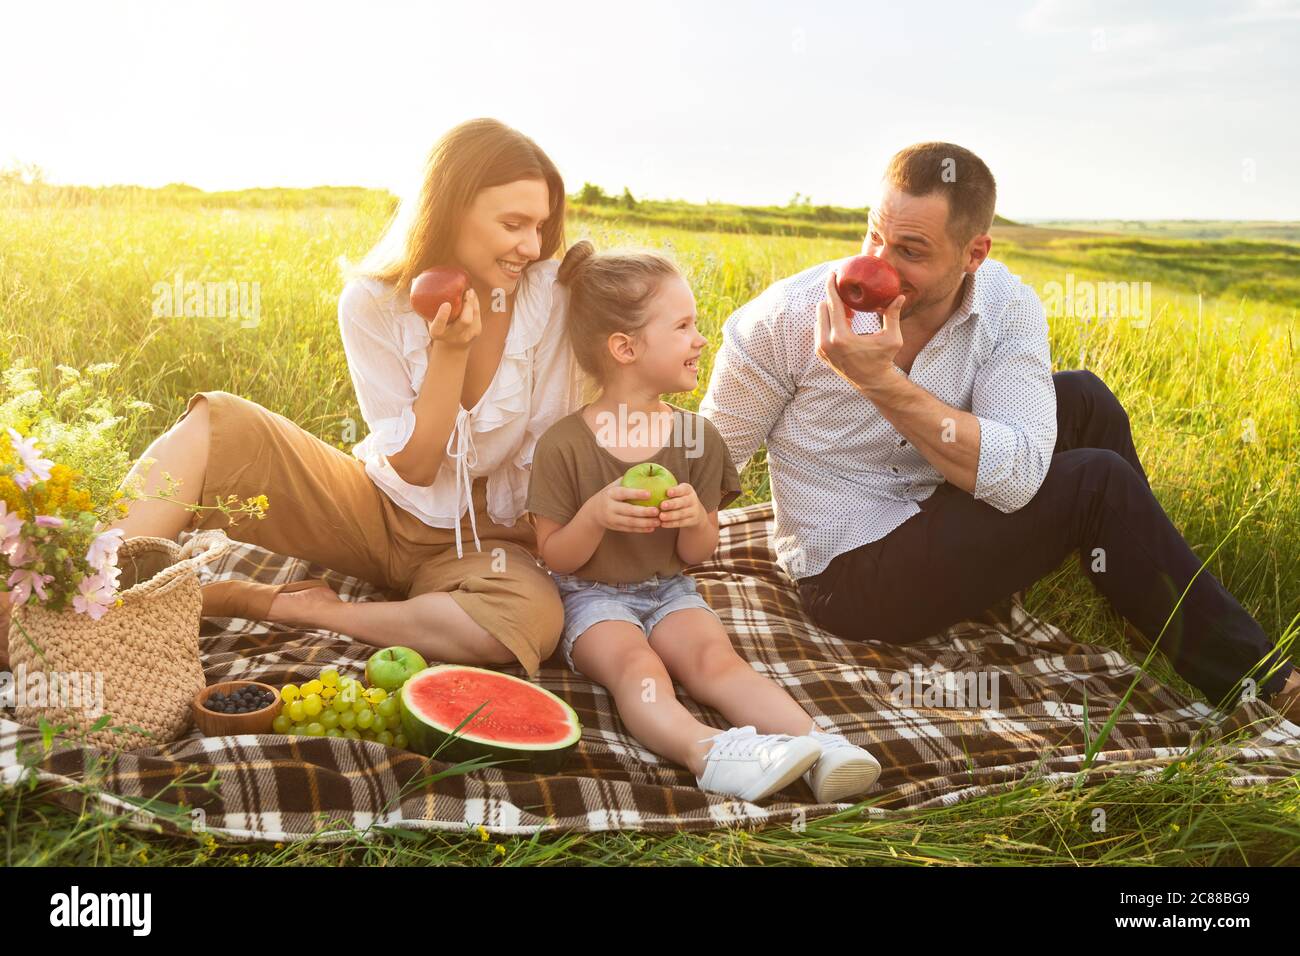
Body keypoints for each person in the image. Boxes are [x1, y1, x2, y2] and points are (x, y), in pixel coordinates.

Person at [700, 141, 1300, 719]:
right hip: (852, 573)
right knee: (1095, 484)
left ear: (973, 254)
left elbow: (1014, 477)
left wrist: (880, 382)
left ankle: (1141, 594)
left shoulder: (1006, 305)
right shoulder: (786, 319)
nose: (877, 265)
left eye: (911, 251)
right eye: (874, 235)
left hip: (940, 498)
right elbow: (709, 459)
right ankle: (1265, 687)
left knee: (1085, 400)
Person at [3, 118, 587, 677]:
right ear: (451, 208)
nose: (532, 246)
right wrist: (450, 355)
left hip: (489, 540)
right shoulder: (372, 302)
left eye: (541, 225)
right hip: (376, 514)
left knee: (525, 623)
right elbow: (414, 465)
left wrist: (610, 286)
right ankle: (72, 598)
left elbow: (628, 356)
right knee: (220, 424)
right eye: (513, 224)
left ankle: (286, 606)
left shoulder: (549, 298)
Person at [526, 240, 882, 802]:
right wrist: (595, 515)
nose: (700, 339)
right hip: (586, 597)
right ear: (624, 346)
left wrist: (694, 518)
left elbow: (698, 554)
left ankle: (821, 747)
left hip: (669, 590)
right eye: (684, 326)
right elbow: (554, 557)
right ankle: (711, 753)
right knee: (636, 666)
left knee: (715, 661)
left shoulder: (698, 437)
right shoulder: (565, 445)